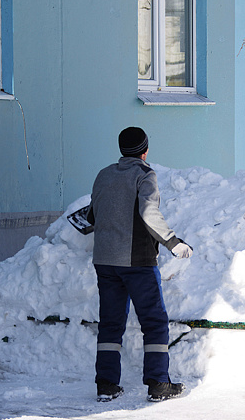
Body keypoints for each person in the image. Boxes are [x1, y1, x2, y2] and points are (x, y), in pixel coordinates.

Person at [86, 127, 193, 402]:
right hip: (136, 262)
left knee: (110, 324)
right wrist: (173, 242)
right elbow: (149, 213)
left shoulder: (103, 175)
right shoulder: (145, 175)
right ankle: (159, 383)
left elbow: (91, 215)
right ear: (145, 151)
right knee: (154, 321)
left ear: (122, 149)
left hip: (105, 261)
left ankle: (106, 385)